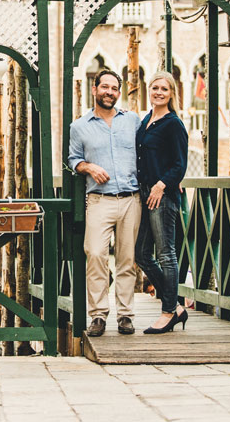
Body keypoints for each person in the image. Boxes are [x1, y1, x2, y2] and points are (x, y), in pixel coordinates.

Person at [68, 70, 142, 337]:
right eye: (105, 87)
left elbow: (150, 151)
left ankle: (125, 316)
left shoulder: (133, 121)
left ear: (118, 93)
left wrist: (169, 177)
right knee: (96, 254)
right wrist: (88, 167)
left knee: (127, 259)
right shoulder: (79, 126)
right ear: (94, 89)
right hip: (99, 199)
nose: (109, 92)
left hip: (132, 199)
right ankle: (98, 315)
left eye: (114, 88)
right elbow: (73, 159)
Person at [135, 71, 189, 334]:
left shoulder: (173, 124)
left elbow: (180, 165)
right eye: (155, 87)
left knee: (166, 254)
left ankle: (168, 313)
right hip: (143, 194)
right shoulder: (147, 121)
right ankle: (176, 306)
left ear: (171, 94)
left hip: (162, 196)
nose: (158, 92)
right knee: (141, 254)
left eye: (164, 89)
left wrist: (162, 184)